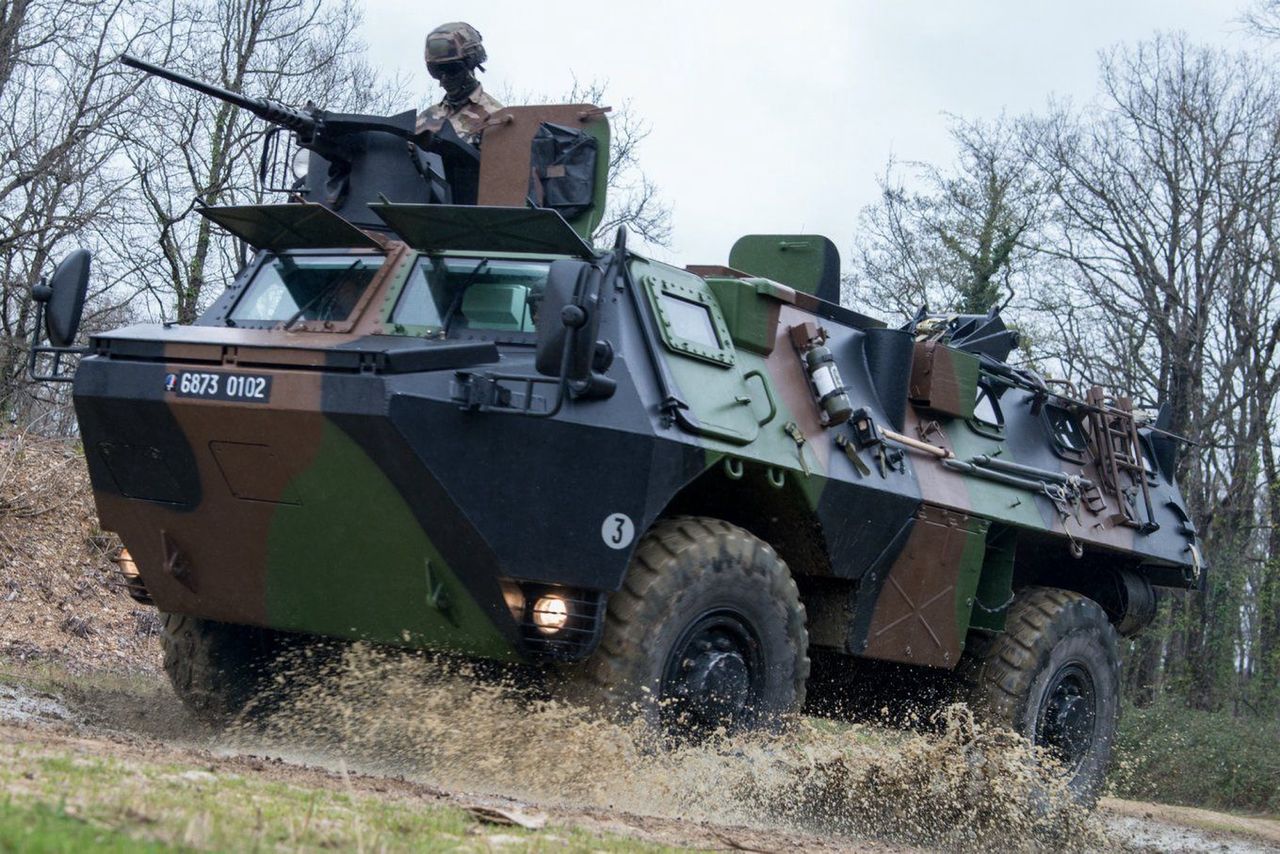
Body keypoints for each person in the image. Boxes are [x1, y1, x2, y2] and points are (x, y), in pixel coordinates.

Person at [416, 21, 504, 146]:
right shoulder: (424, 119)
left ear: (471, 64)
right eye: (436, 71)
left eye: (452, 69)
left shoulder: (496, 117)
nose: (444, 78)